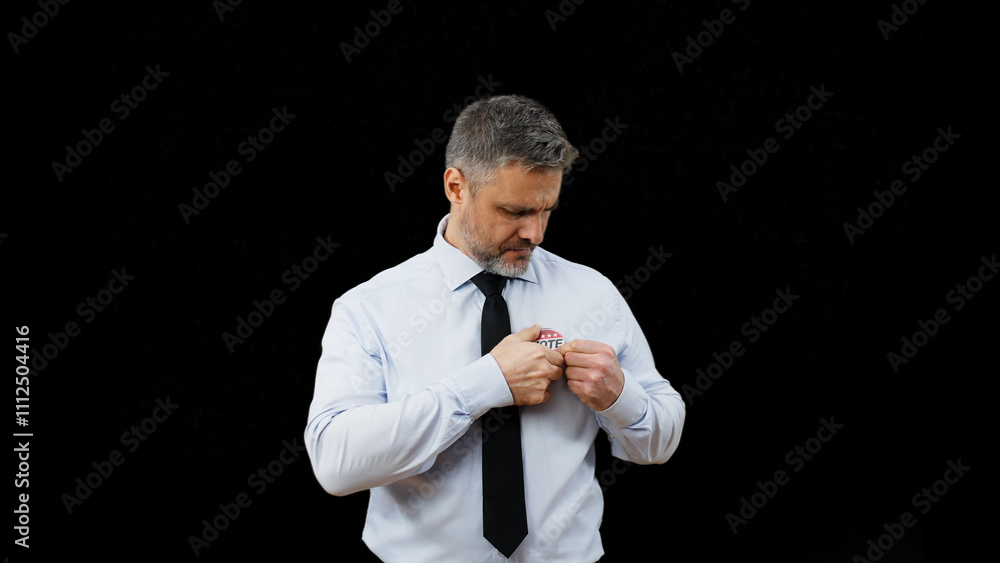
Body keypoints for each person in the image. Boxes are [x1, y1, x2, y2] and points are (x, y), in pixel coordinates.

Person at [304, 94, 685, 562]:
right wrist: (485, 384)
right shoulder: (369, 308)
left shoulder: (593, 294)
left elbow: (661, 444)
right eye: (515, 211)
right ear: (456, 186)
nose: (536, 234)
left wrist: (619, 395)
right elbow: (336, 465)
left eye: (546, 210)